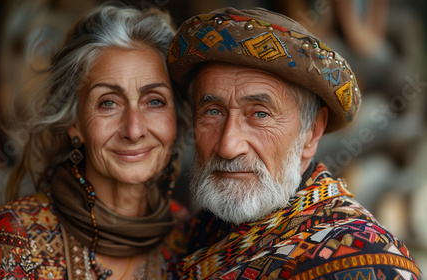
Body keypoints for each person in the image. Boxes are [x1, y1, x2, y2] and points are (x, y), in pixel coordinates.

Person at [167, 7, 422, 279]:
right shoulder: (194, 234)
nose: (228, 146)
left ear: (311, 132)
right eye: (213, 112)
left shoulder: (366, 263)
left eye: (260, 114)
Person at [0, 4, 190, 280]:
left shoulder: (187, 235)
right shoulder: (12, 237)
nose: (134, 129)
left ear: (175, 119)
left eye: (154, 101)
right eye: (108, 103)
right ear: (74, 123)